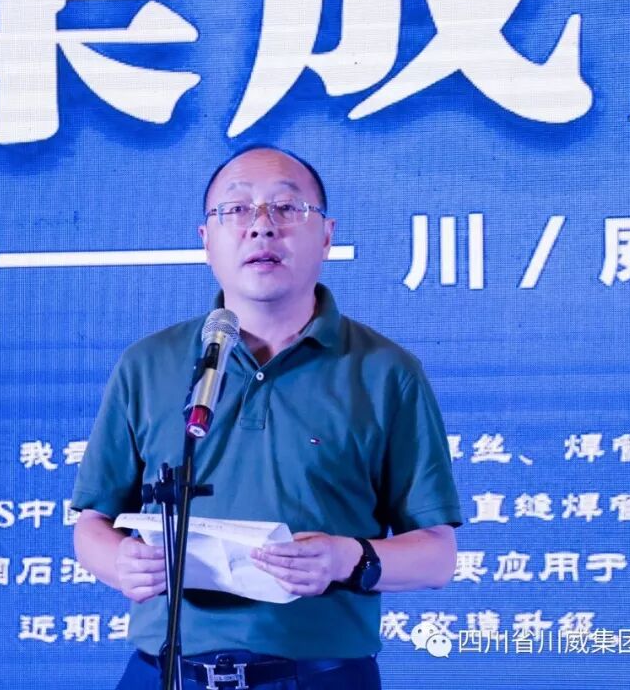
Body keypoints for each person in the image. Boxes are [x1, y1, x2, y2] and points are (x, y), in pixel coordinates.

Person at [71, 146, 463, 689]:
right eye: (236, 210)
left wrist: (347, 558)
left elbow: (438, 556)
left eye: (286, 207)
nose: (261, 227)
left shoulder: (384, 371)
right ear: (206, 240)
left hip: (321, 676)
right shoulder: (148, 364)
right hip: (165, 672)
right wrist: (121, 563)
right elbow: (92, 523)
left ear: (326, 235)